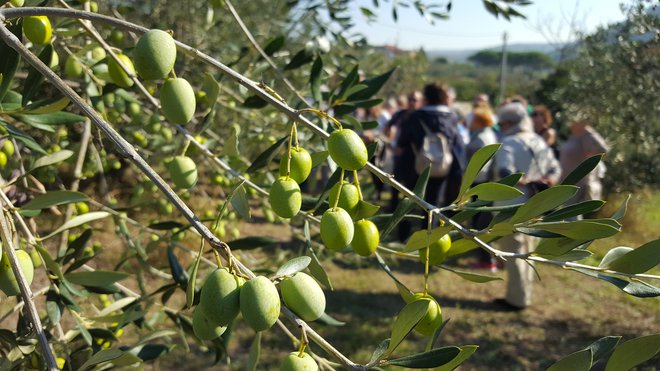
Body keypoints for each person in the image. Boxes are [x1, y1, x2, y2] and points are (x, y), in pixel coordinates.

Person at [494, 102, 561, 310]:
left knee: (514, 252)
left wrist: (523, 181)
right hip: (536, 204)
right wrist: (545, 181)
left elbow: (505, 172)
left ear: (508, 123)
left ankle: (517, 299)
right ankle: (525, 295)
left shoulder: (509, 143)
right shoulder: (538, 141)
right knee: (528, 250)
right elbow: (555, 169)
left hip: (511, 205)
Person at [397, 83, 466, 208]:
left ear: (426, 98)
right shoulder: (452, 117)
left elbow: (402, 141)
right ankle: (431, 225)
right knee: (434, 200)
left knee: (410, 200)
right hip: (442, 164)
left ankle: (405, 225)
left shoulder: (415, 117)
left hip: (416, 164)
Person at [466, 102, 498, 271]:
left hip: (480, 182)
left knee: (480, 222)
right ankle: (487, 257)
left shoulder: (481, 137)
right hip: (483, 182)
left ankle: (486, 260)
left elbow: (480, 164)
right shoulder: (487, 134)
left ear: (479, 120)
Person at [559, 115, 609, 204]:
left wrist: (589, 131)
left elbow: (603, 150)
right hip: (566, 183)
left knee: (572, 214)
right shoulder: (573, 137)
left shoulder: (587, 137)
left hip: (579, 184)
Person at [387, 91, 422, 212]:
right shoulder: (400, 114)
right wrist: (391, 144)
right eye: (411, 99)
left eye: (415, 100)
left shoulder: (421, 116)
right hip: (400, 156)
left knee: (411, 186)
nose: (412, 102)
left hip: (414, 157)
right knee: (394, 182)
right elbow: (388, 127)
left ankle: (408, 210)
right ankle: (393, 208)